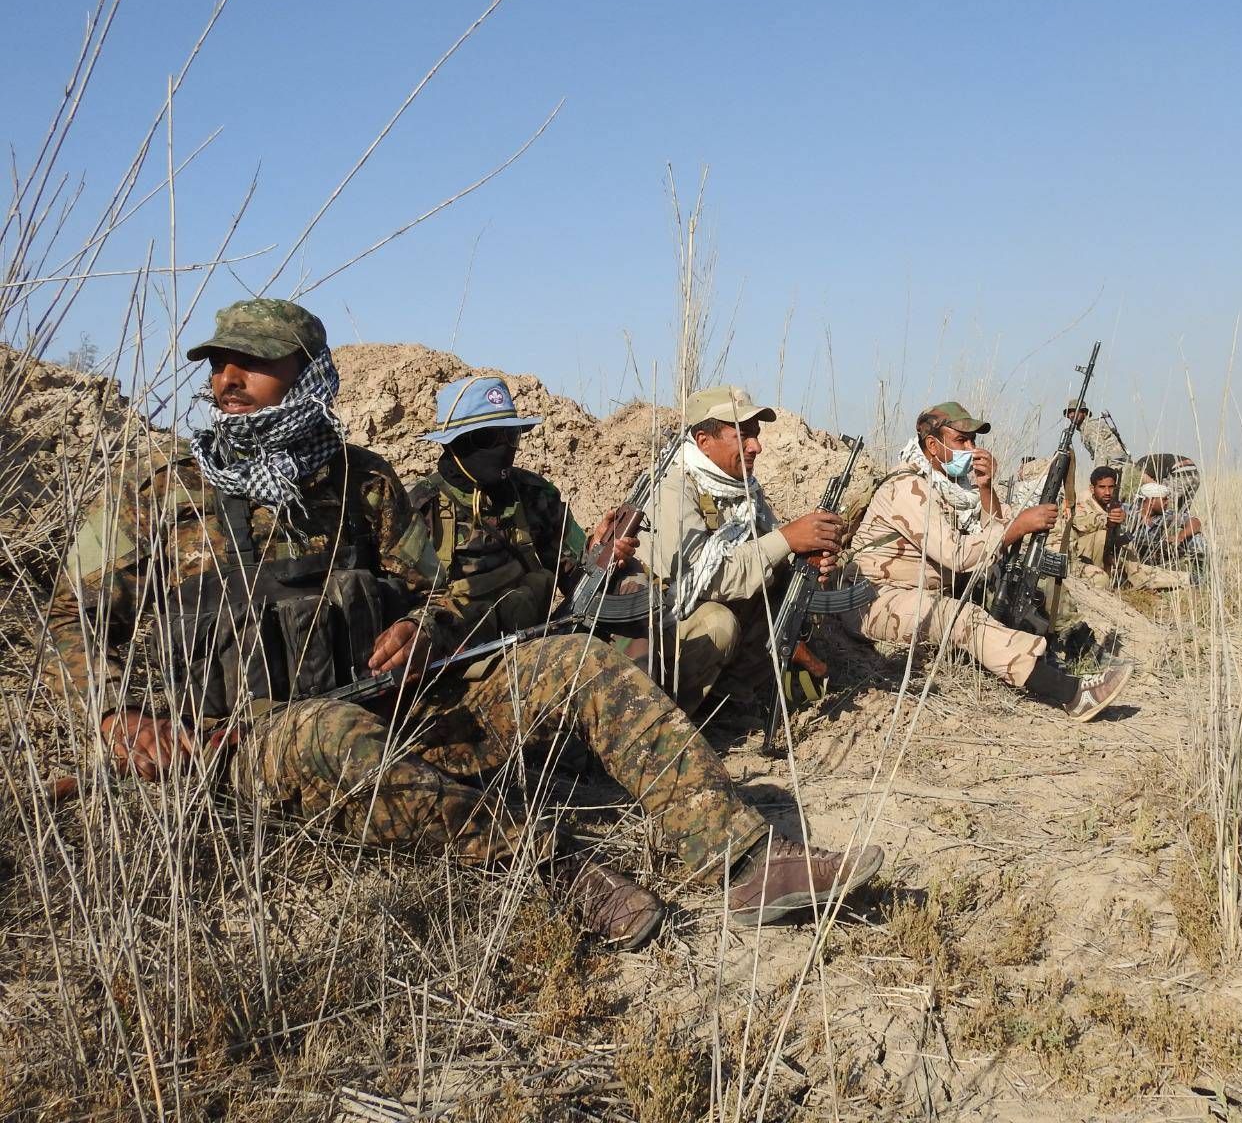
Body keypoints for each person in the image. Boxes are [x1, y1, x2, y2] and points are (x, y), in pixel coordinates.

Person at [45, 300, 882, 950]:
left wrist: (424, 631)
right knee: (331, 734)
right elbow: (70, 619)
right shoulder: (149, 491)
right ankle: (555, 868)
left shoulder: (363, 481)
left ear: (307, 374)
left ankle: (744, 859)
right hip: (247, 741)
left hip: (401, 707)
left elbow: (437, 592)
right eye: (219, 364)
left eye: (253, 363)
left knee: (575, 659)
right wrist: (117, 714)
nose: (229, 378)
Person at [844, 401, 1132, 720]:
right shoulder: (908, 486)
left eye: (973, 440)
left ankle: (1054, 651)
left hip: (920, 591)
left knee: (1010, 579)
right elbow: (959, 554)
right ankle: (1072, 693)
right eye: (961, 440)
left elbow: (992, 533)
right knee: (959, 616)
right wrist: (1017, 527)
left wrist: (985, 487)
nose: (972, 449)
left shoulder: (954, 488)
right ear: (932, 445)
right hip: (874, 598)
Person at [635, 385, 842, 714]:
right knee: (719, 625)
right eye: (743, 436)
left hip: (701, 611)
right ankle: (668, 716)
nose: (756, 446)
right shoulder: (674, 487)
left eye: (756, 435)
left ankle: (731, 701)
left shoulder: (741, 489)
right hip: (661, 625)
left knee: (784, 593)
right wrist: (788, 539)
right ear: (704, 441)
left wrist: (810, 559)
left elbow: (766, 553)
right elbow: (707, 578)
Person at [407, 374, 635, 642]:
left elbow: (576, 577)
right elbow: (404, 613)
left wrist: (597, 551)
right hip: (459, 659)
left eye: (511, 435)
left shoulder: (532, 494)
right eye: (488, 437)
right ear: (455, 443)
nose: (503, 447)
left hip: (535, 645)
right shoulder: (420, 509)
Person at [1070, 466, 1192, 591]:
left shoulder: (1114, 505)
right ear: (1092, 488)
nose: (1107, 492)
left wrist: (1122, 520)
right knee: (1102, 535)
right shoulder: (1082, 502)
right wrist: (1106, 520)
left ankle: (1183, 579)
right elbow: (1079, 522)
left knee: (1140, 567)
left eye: (1111, 487)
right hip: (1082, 559)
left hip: (1111, 558)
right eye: (1102, 487)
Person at [1124, 481, 1205, 569]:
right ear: (1151, 501)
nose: (1167, 502)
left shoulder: (1166, 515)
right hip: (1127, 558)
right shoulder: (1126, 511)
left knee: (1197, 539)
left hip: (1155, 557)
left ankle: (1198, 574)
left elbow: (1195, 522)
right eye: (1164, 499)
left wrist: (1180, 536)